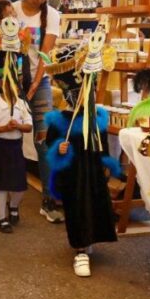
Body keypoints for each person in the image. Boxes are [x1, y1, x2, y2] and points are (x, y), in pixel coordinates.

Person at [46, 106, 120, 277]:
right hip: (72, 172)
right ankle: (80, 251)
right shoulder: (62, 119)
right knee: (77, 204)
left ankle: (87, 239)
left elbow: (102, 142)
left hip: (93, 170)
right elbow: (51, 141)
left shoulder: (95, 118)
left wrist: (106, 163)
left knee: (94, 203)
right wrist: (59, 147)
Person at [12, 0, 62, 222]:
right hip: (12, 79)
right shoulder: (11, 11)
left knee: (44, 138)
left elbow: (46, 53)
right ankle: (6, 193)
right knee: (10, 136)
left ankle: (49, 199)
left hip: (39, 81)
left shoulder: (51, 15)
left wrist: (34, 84)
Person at [0, 71, 32, 233]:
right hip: (1, 147)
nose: (10, 86)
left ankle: (14, 206)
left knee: (20, 186)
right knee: (2, 186)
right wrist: (5, 128)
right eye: (6, 82)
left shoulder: (22, 104)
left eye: (14, 83)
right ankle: (0, 218)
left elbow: (29, 127)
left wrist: (17, 126)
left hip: (15, 147)